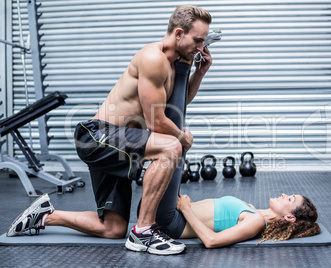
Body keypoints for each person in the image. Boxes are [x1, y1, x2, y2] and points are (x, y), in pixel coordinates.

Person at [6, 4, 213, 256]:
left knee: (113, 229)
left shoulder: (171, 65)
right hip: (97, 136)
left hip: (120, 144)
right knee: (171, 146)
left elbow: (177, 105)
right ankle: (143, 231)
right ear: (179, 33)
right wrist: (182, 137)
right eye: (198, 40)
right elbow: (155, 122)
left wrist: (199, 73)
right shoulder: (153, 58)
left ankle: (45, 216)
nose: (201, 48)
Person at [166, 193, 321, 248]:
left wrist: (186, 209)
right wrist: (190, 204)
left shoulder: (256, 221)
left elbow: (211, 240)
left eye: (289, 199)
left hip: (170, 222)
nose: (283, 194)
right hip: (175, 212)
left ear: (290, 217)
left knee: (172, 151)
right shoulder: (252, 209)